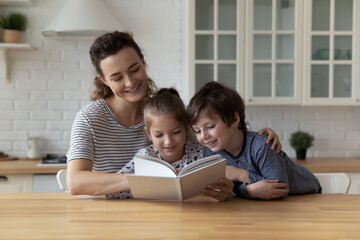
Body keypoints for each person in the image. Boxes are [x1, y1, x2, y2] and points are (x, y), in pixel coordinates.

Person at [66, 31, 281, 199]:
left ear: (143, 62)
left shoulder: (166, 111)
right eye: (117, 77)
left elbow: (215, 143)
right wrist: (144, 180)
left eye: (134, 69)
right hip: (108, 216)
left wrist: (255, 140)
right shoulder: (90, 119)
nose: (130, 82)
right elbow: (75, 182)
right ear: (103, 80)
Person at [186, 81, 322, 200]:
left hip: (309, 197)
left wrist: (239, 174)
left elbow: (279, 189)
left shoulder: (262, 145)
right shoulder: (211, 150)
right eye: (197, 131)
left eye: (210, 127)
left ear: (234, 120)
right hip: (272, 208)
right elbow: (230, 188)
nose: (203, 136)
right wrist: (248, 190)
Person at [108, 88, 233, 200]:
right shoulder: (144, 157)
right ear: (149, 135)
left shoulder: (201, 151)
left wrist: (224, 191)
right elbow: (111, 190)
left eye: (176, 132)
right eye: (159, 135)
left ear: (185, 128)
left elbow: (220, 186)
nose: (168, 141)